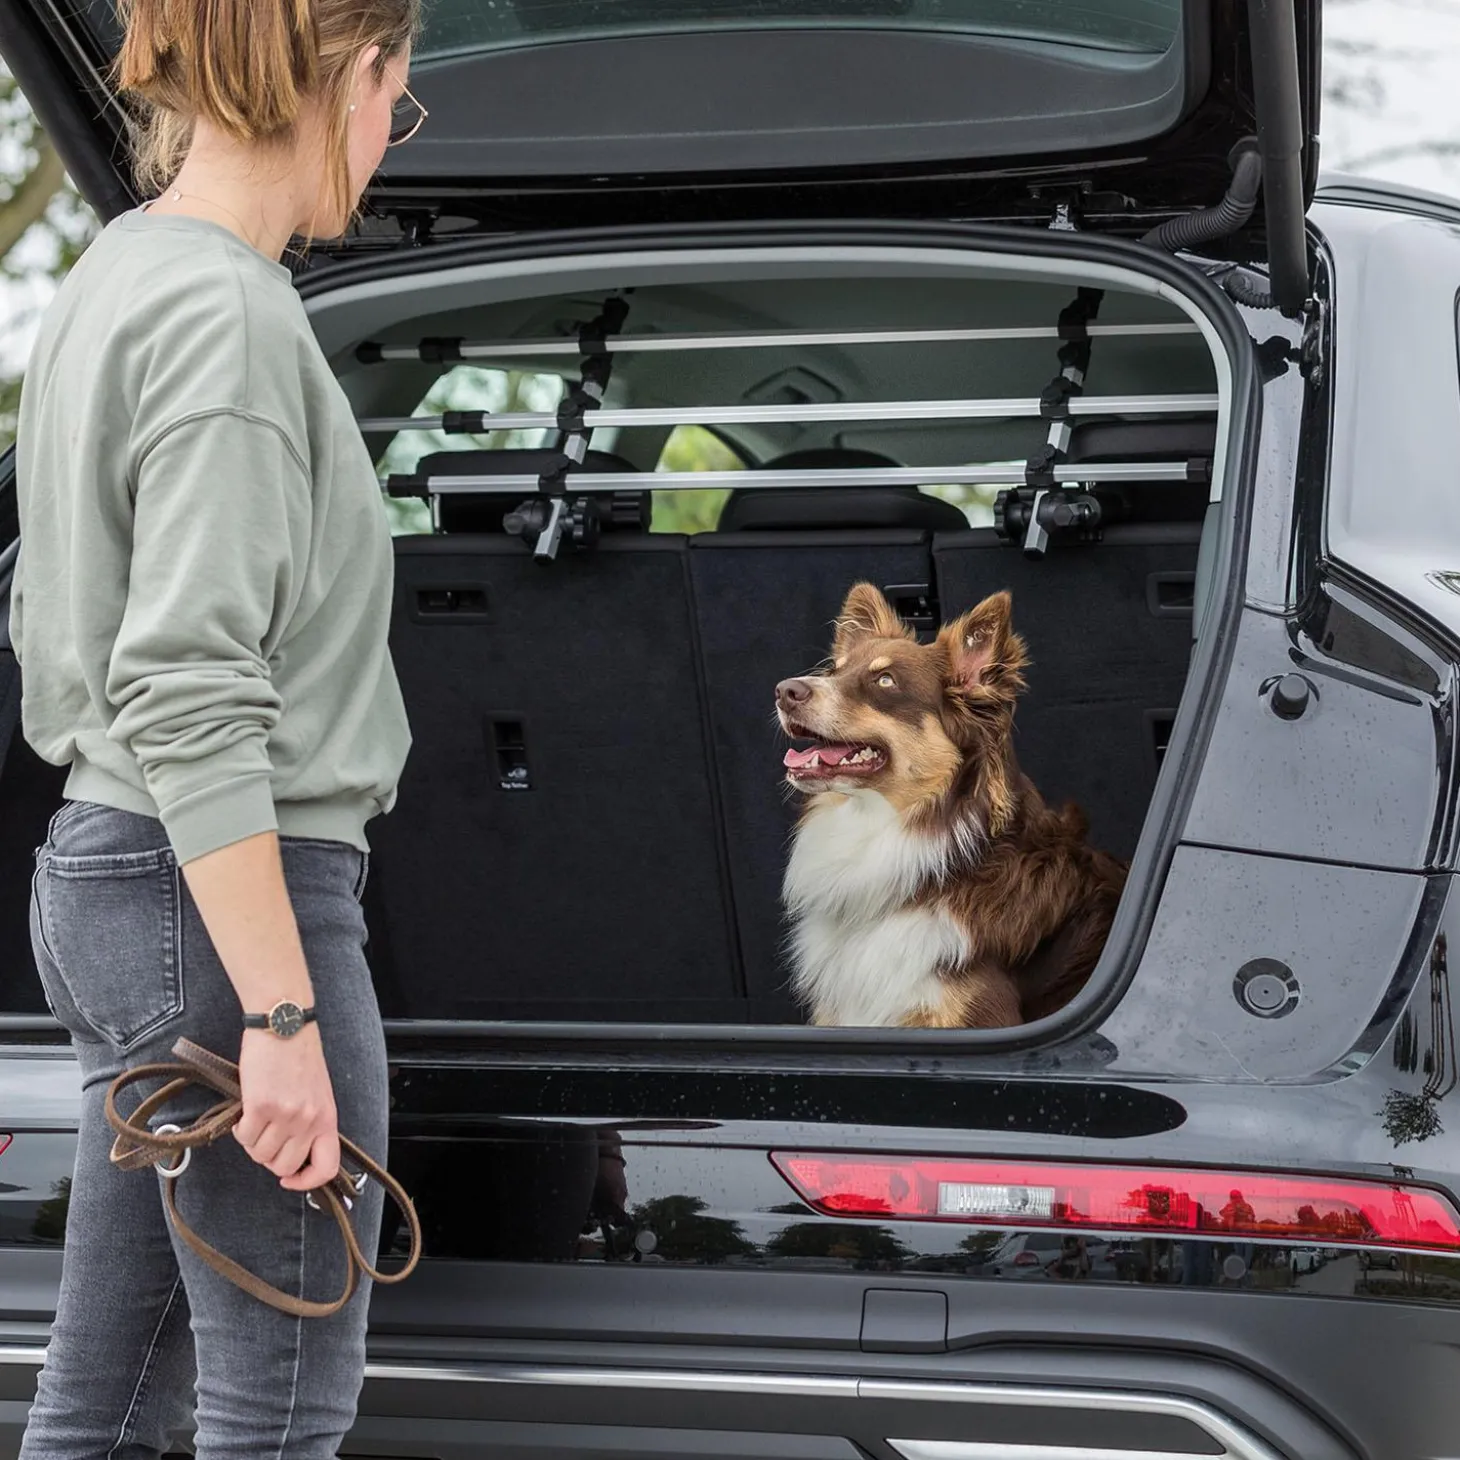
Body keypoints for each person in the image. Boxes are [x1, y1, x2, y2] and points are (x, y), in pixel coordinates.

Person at [11, 1, 423, 1455]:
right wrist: (285, 1017)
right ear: (353, 74)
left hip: (117, 876)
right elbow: (188, 685)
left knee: (108, 1400)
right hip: (227, 900)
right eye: (399, 102)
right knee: (279, 1407)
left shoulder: (122, 271)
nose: (389, 143)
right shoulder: (230, 319)